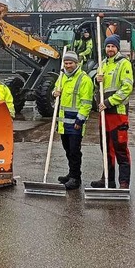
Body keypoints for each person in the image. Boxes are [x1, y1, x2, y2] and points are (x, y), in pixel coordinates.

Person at [91, 34, 134, 189]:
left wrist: (108, 102)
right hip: (104, 113)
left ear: (117, 48)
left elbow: (127, 88)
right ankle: (107, 179)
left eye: (112, 46)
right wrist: (97, 81)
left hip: (118, 112)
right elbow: (97, 89)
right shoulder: (102, 64)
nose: (110, 49)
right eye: (108, 46)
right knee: (105, 147)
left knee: (120, 148)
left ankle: (124, 182)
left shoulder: (124, 64)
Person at [52, 51, 94, 190]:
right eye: (66, 63)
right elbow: (55, 90)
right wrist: (54, 93)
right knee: (67, 150)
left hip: (76, 122)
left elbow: (86, 103)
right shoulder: (62, 76)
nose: (68, 65)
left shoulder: (84, 79)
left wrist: (80, 121)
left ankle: (76, 178)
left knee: (75, 151)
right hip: (64, 122)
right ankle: (71, 174)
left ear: (76, 63)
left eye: (70, 63)